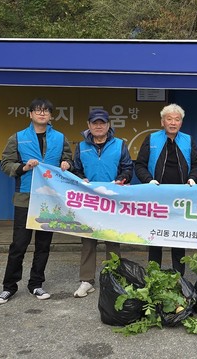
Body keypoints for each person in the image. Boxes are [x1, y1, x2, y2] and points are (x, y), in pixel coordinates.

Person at [0, 98, 73, 305]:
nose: (42, 114)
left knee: (43, 245)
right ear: (30, 114)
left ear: (51, 116)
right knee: (19, 245)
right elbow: (5, 164)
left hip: (50, 199)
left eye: (46, 111)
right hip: (25, 198)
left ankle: (36, 284)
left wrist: (67, 163)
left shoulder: (59, 137)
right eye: (37, 111)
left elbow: (68, 159)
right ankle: (8, 287)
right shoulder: (18, 138)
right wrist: (24, 168)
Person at [71, 108, 133, 298]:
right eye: (95, 123)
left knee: (112, 240)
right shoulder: (81, 147)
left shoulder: (119, 145)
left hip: (111, 201)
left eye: (102, 123)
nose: (98, 126)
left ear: (108, 125)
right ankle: (86, 281)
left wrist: (121, 179)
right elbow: (75, 170)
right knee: (88, 241)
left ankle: (112, 278)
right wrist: (82, 179)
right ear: (89, 126)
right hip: (89, 202)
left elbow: (128, 168)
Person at [134, 103, 197, 275]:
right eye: (169, 119)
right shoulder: (151, 139)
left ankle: (179, 277)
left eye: (177, 120)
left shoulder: (188, 140)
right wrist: (148, 180)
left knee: (178, 239)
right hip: (157, 198)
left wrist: (193, 178)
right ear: (162, 121)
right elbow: (140, 165)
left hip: (181, 198)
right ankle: (153, 276)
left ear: (181, 123)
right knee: (155, 238)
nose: (173, 123)